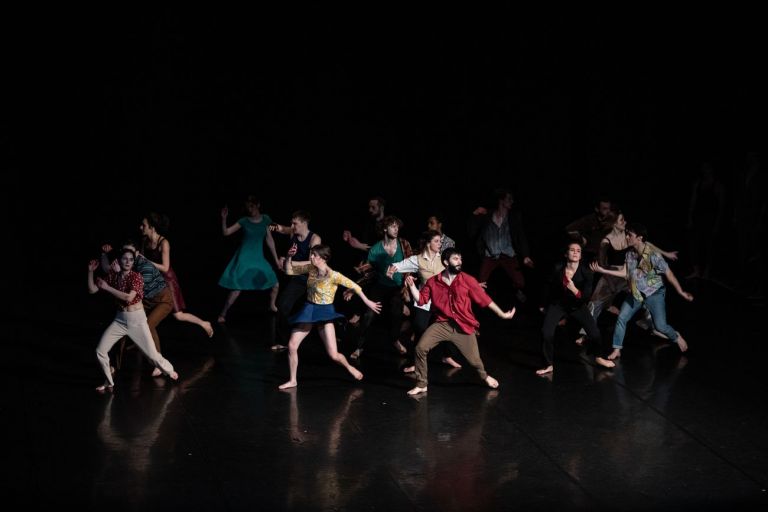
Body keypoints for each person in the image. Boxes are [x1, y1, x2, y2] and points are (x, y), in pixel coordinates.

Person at [404, 247, 516, 396]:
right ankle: (422, 383)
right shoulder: (433, 282)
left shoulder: (467, 280)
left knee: (475, 361)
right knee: (420, 348)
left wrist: (502, 314)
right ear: (445, 262)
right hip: (442, 324)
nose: (459, 262)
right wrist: (412, 287)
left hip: (463, 326)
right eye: (455, 259)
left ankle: (484, 376)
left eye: (460, 259)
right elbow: (421, 299)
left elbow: (485, 300)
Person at [278, 243, 381, 390]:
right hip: (309, 309)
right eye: (311, 254)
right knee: (292, 345)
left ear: (323, 258)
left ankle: (349, 368)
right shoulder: (311, 269)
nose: (311, 257)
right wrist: (289, 256)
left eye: (314, 255)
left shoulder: (334, 276)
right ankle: (293, 380)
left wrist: (368, 302)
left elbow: (355, 286)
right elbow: (288, 271)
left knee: (333, 354)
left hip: (325, 312)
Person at [591, 223, 693, 360]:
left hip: (654, 294)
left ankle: (676, 336)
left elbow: (669, 274)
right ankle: (617, 349)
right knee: (621, 318)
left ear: (639, 238)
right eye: (626, 234)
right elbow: (625, 273)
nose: (627, 237)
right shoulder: (630, 254)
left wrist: (681, 292)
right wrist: (604, 270)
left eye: (630, 235)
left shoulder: (653, 255)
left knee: (660, 326)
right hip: (636, 293)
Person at [88, 247, 178, 392]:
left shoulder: (136, 276)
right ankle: (109, 382)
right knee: (100, 351)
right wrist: (91, 271)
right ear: (119, 260)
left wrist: (107, 288)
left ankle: (169, 370)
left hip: (137, 321)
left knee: (152, 356)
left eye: (131, 259)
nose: (128, 262)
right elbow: (92, 289)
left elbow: (129, 297)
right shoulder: (113, 276)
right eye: (125, 259)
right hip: (120, 320)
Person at [387, 229, 462, 373]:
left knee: (448, 329)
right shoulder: (417, 260)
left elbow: (457, 274)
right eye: (436, 241)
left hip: (441, 302)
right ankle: (416, 363)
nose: (440, 244)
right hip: (424, 302)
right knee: (420, 329)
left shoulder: (443, 259)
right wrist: (392, 269)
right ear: (428, 243)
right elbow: (400, 265)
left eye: (440, 241)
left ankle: (446, 356)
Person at [536, 242, 615, 375]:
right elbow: (548, 286)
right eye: (572, 250)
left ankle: (599, 357)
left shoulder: (586, 272)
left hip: (577, 306)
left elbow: (586, 297)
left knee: (595, 333)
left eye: (578, 251)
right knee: (546, 332)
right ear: (566, 253)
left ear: (580, 255)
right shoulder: (558, 268)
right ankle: (548, 364)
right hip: (558, 304)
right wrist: (544, 305)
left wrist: (574, 289)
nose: (575, 252)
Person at [101, 241, 174, 377]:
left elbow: (131, 296)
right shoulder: (124, 266)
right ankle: (115, 366)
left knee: (147, 325)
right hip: (144, 300)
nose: (127, 257)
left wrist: (118, 278)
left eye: (131, 254)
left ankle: (158, 363)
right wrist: (104, 255)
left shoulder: (143, 269)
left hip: (161, 300)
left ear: (137, 254)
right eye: (124, 253)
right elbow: (107, 271)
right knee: (122, 328)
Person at [140, 212, 214, 337]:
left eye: (143, 225)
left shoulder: (164, 243)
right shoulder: (145, 241)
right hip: (154, 280)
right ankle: (142, 340)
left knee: (178, 315)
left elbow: (165, 267)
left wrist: (146, 261)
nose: (141, 227)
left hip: (167, 281)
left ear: (152, 227)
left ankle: (204, 323)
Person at [218, 196, 280, 322]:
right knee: (236, 289)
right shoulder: (244, 221)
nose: (250, 209)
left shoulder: (266, 219)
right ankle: (223, 313)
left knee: (275, 284)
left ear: (258, 205)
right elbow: (226, 233)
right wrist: (224, 219)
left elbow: (270, 240)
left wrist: (276, 260)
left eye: (252, 206)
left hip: (258, 258)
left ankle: (272, 305)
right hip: (244, 258)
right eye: (248, 207)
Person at [468, 188, 533, 303]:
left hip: (508, 255)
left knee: (520, 282)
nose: (512, 201)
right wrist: (475, 214)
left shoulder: (514, 217)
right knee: (481, 281)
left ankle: (516, 291)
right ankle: (480, 302)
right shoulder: (487, 215)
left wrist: (526, 255)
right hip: (490, 255)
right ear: (501, 201)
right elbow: (472, 232)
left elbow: (521, 236)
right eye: (509, 199)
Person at [269, 210, 322, 351]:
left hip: (312, 280)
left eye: (295, 223)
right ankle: (284, 341)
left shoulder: (314, 239)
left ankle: (333, 335)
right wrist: (271, 226)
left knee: (319, 311)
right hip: (297, 279)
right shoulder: (293, 232)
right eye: (292, 222)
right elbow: (282, 229)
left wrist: (288, 263)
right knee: (282, 304)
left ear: (304, 223)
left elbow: (312, 266)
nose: (292, 225)